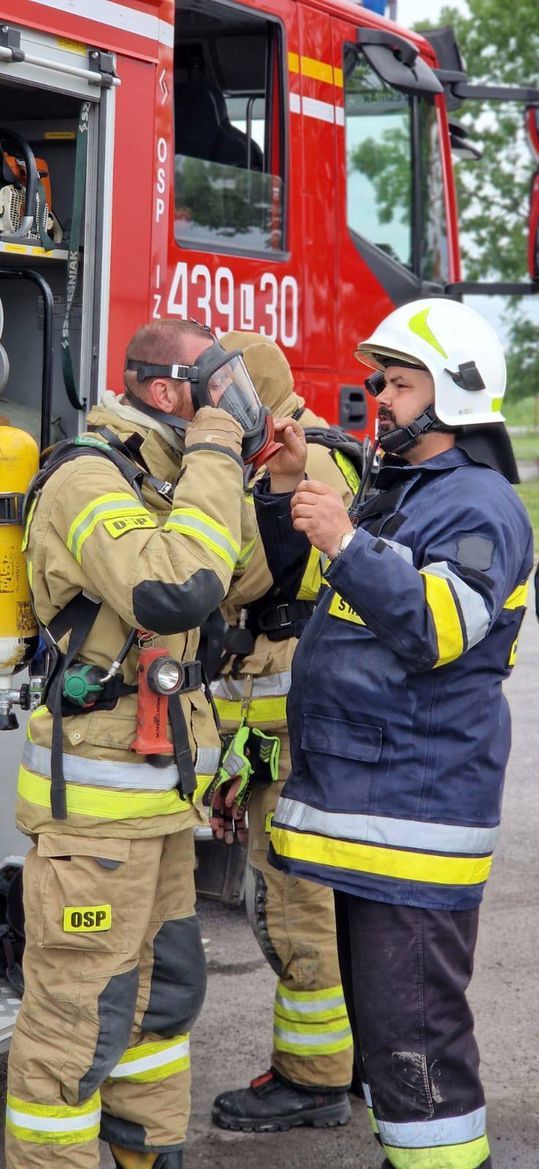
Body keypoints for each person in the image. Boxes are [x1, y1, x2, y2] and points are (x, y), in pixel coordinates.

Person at [253, 297, 533, 1169]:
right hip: (379, 814)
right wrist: (290, 489)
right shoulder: (406, 493)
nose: (379, 399)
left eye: (400, 385)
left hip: (416, 818)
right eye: (379, 383)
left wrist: (345, 540)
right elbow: (307, 594)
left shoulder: (480, 505)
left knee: (419, 1051)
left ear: (454, 394)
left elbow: (439, 626)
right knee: (389, 1046)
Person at [5, 318, 266, 1169]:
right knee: (76, 1018)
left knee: (161, 997)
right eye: (215, 389)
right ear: (164, 391)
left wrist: (252, 473)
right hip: (95, 820)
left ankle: (147, 1152)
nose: (231, 404)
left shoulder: (171, 477)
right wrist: (217, 451)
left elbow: (242, 578)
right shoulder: (88, 477)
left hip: (157, 811)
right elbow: (172, 588)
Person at [207, 332, 359, 1132]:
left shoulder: (296, 467)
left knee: (296, 902)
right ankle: (343, 1063)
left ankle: (314, 1078)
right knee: (305, 900)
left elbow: (240, 575)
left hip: (294, 726)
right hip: (279, 726)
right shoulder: (298, 454)